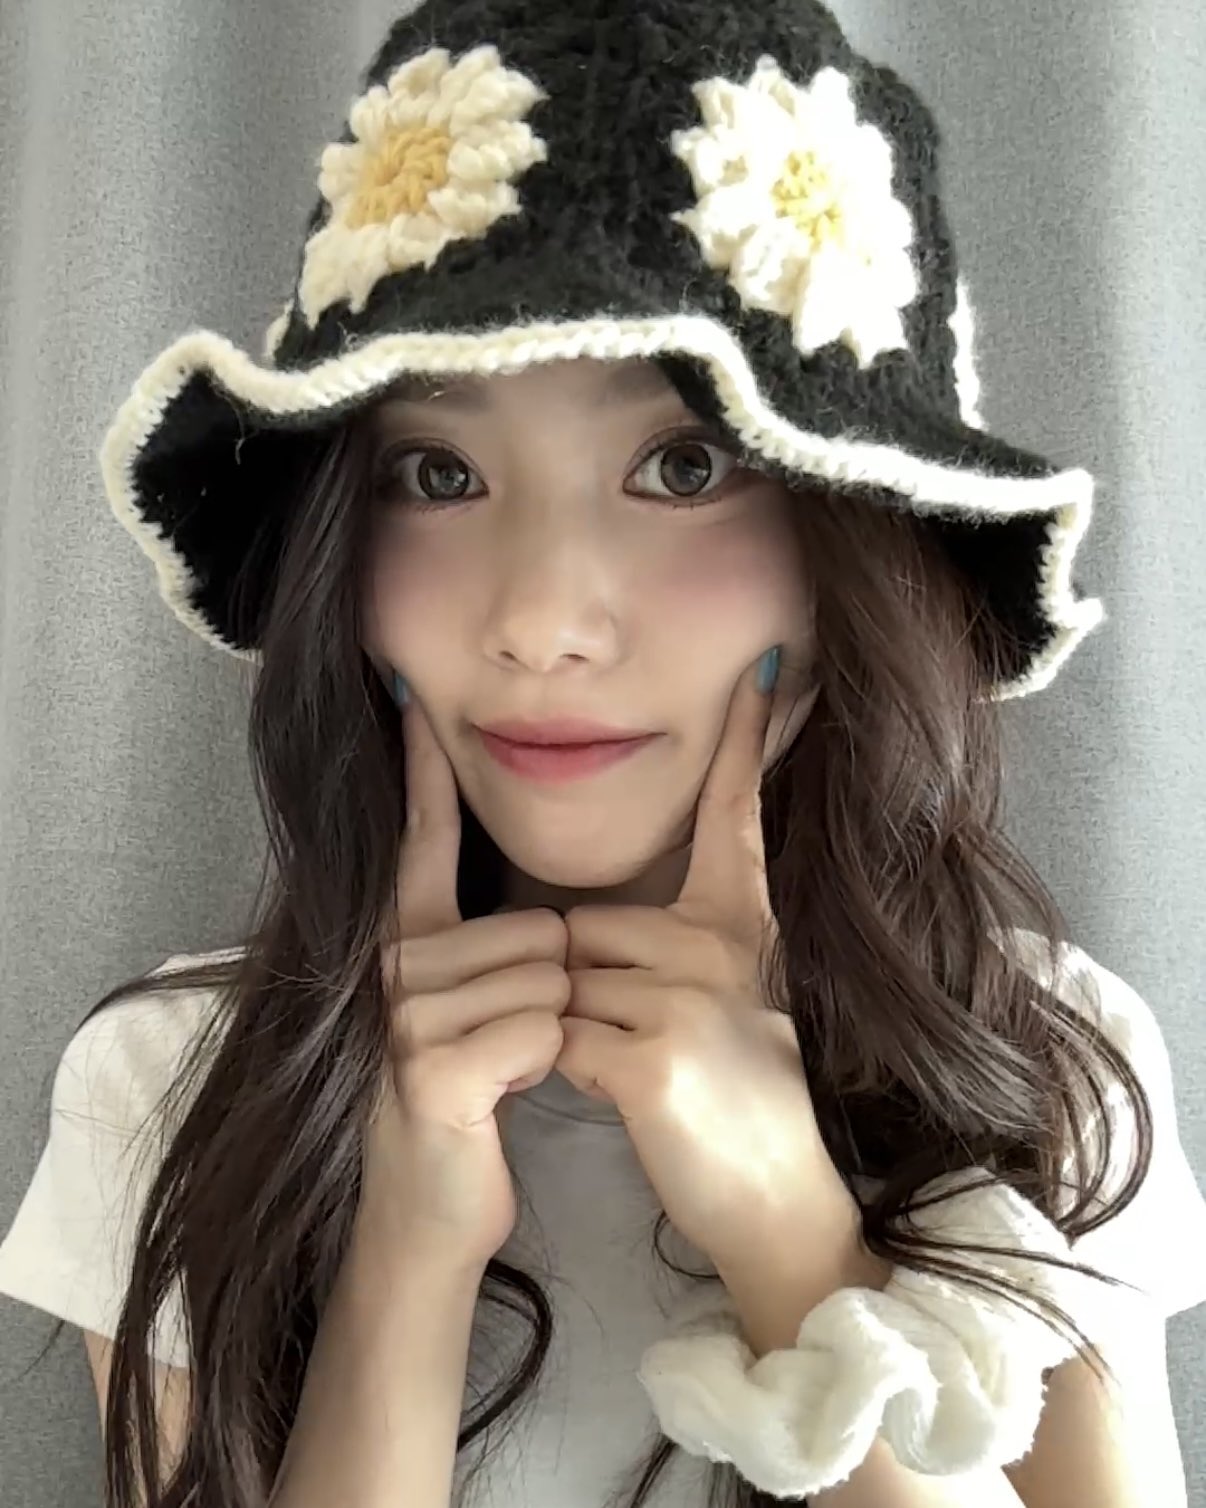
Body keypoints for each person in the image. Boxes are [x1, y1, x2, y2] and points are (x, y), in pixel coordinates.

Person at [1, 2, 1204, 1506]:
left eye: (684, 467)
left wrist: (785, 1226)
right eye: (438, 474)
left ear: (857, 543)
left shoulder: (1033, 1060)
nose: (541, 624)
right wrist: (409, 1250)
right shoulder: (180, 1082)